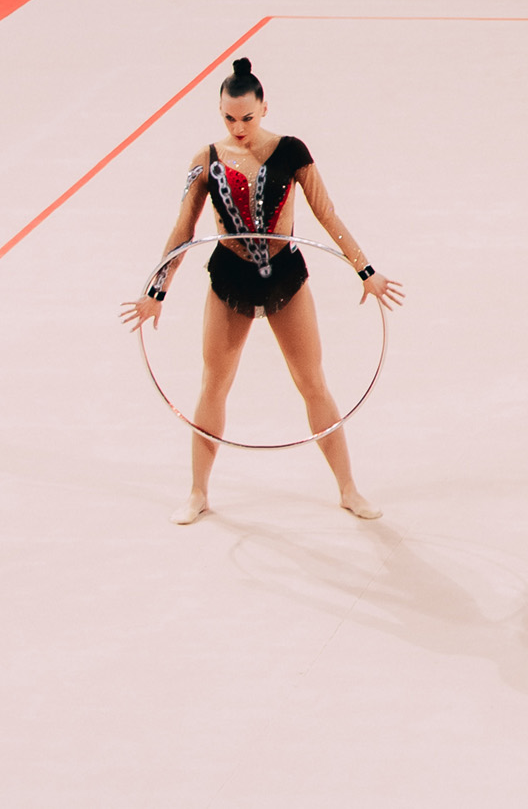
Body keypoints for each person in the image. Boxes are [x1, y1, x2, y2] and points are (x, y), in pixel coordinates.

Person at [119, 59, 402, 524]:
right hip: (229, 278)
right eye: (229, 118)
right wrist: (157, 291)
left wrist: (365, 270)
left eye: (247, 117)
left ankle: (349, 489)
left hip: (285, 277)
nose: (238, 127)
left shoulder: (291, 151)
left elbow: (327, 213)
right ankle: (197, 491)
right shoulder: (206, 160)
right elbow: (183, 230)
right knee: (214, 384)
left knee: (312, 382)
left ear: (265, 107)